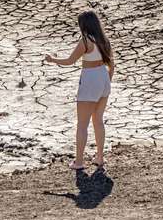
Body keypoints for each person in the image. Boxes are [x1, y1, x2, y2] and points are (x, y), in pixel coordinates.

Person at [43, 10, 114, 170]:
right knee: (98, 120)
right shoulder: (104, 40)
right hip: (103, 77)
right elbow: (112, 64)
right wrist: (106, 83)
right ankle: (100, 157)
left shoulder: (86, 41)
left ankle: (79, 162)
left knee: (82, 124)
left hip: (90, 80)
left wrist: (52, 60)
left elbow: (70, 61)